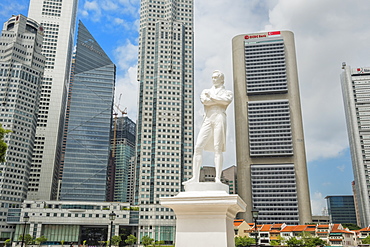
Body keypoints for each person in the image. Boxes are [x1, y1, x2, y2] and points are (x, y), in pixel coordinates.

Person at [184, 70, 233, 184]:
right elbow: (205, 102)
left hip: (219, 117)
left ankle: (217, 178)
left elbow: (226, 101)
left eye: (216, 77)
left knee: (218, 148)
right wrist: (216, 99)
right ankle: (195, 177)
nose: (214, 79)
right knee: (198, 147)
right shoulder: (206, 91)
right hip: (208, 118)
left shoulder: (227, 92)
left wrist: (212, 97)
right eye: (213, 77)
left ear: (222, 79)